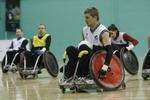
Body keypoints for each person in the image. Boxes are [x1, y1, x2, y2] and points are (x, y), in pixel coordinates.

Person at [62, 7, 113, 79]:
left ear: (95, 17)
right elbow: (83, 43)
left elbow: (109, 51)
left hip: (98, 57)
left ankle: (85, 75)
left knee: (83, 47)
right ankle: (71, 73)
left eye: (87, 18)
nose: (85, 20)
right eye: (85, 18)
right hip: (86, 55)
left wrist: (105, 67)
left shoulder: (103, 31)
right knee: (70, 49)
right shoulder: (85, 29)